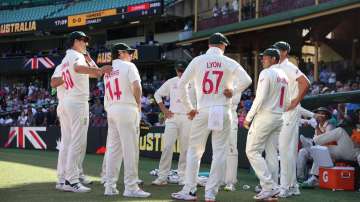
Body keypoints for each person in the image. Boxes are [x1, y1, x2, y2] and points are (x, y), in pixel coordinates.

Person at [171, 32, 252, 201]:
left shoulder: (197, 61)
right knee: (220, 152)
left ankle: (190, 189)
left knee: (194, 151)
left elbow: (182, 84)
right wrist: (234, 91)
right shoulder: (228, 61)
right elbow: (247, 79)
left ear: (209, 45)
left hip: (203, 108)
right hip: (222, 109)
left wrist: (189, 108)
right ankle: (210, 193)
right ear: (222, 45)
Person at [58, 31, 111, 193]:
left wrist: (93, 64)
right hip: (77, 102)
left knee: (69, 143)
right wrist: (97, 68)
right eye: (83, 40)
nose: (86, 44)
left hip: (68, 100)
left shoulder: (66, 57)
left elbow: (95, 73)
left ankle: (64, 179)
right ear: (75, 41)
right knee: (77, 143)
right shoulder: (75, 55)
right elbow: (80, 68)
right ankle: (72, 180)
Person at [103, 43, 150, 198]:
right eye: (129, 52)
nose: (131, 55)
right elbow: (137, 86)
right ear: (121, 53)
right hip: (126, 108)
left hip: (112, 109)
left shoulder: (108, 71)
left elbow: (106, 97)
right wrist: (138, 104)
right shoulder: (129, 66)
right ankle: (131, 186)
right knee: (130, 149)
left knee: (113, 150)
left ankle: (109, 186)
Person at [244, 48, 289, 200]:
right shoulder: (284, 75)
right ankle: (272, 188)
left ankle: (269, 186)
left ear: (274, 59)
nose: (262, 59)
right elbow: (288, 101)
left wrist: (249, 117)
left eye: (266, 57)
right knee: (271, 154)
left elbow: (260, 97)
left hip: (266, 116)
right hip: (279, 117)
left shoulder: (267, 73)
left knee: (252, 151)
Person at [273, 41, 310, 197]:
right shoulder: (276, 68)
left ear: (285, 52)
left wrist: (295, 101)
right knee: (287, 150)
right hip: (282, 113)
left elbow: (306, 82)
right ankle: (293, 186)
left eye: (279, 50)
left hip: (289, 113)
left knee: (286, 150)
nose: (276, 52)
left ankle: (285, 188)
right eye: (275, 50)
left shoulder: (289, 67)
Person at [152, 61, 196, 186]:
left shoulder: (195, 82)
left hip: (188, 118)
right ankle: (162, 177)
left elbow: (202, 99)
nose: (180, 73)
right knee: (167, 146)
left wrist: (195, 110)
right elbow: (157, 94)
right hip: (173, 117)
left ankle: (182, 177)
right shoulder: (172, 81)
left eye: (182, 70)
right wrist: (164, 110)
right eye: (179, 70)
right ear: (176, 70)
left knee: (185, 148)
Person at [297, 107, 335, 182]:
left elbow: (325, 139)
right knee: (302, 151)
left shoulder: (330, 126)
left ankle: (313, 177)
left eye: (322, 114)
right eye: (319, 113)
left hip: (328, 151)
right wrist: (308, 123)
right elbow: (316, 140)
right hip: (316, 148)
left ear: (326, 116)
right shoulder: (316, 124)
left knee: (317, 151)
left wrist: (316, 127)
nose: (320, 115)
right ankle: (300, 177)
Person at [223, 79, 242, 192]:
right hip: (219, 115)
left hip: (230, 115)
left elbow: (234, 99)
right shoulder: (221, 77)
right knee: (219, 148)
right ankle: (220, 178)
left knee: (231, 148)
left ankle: (230, 181)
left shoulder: (237, 81)